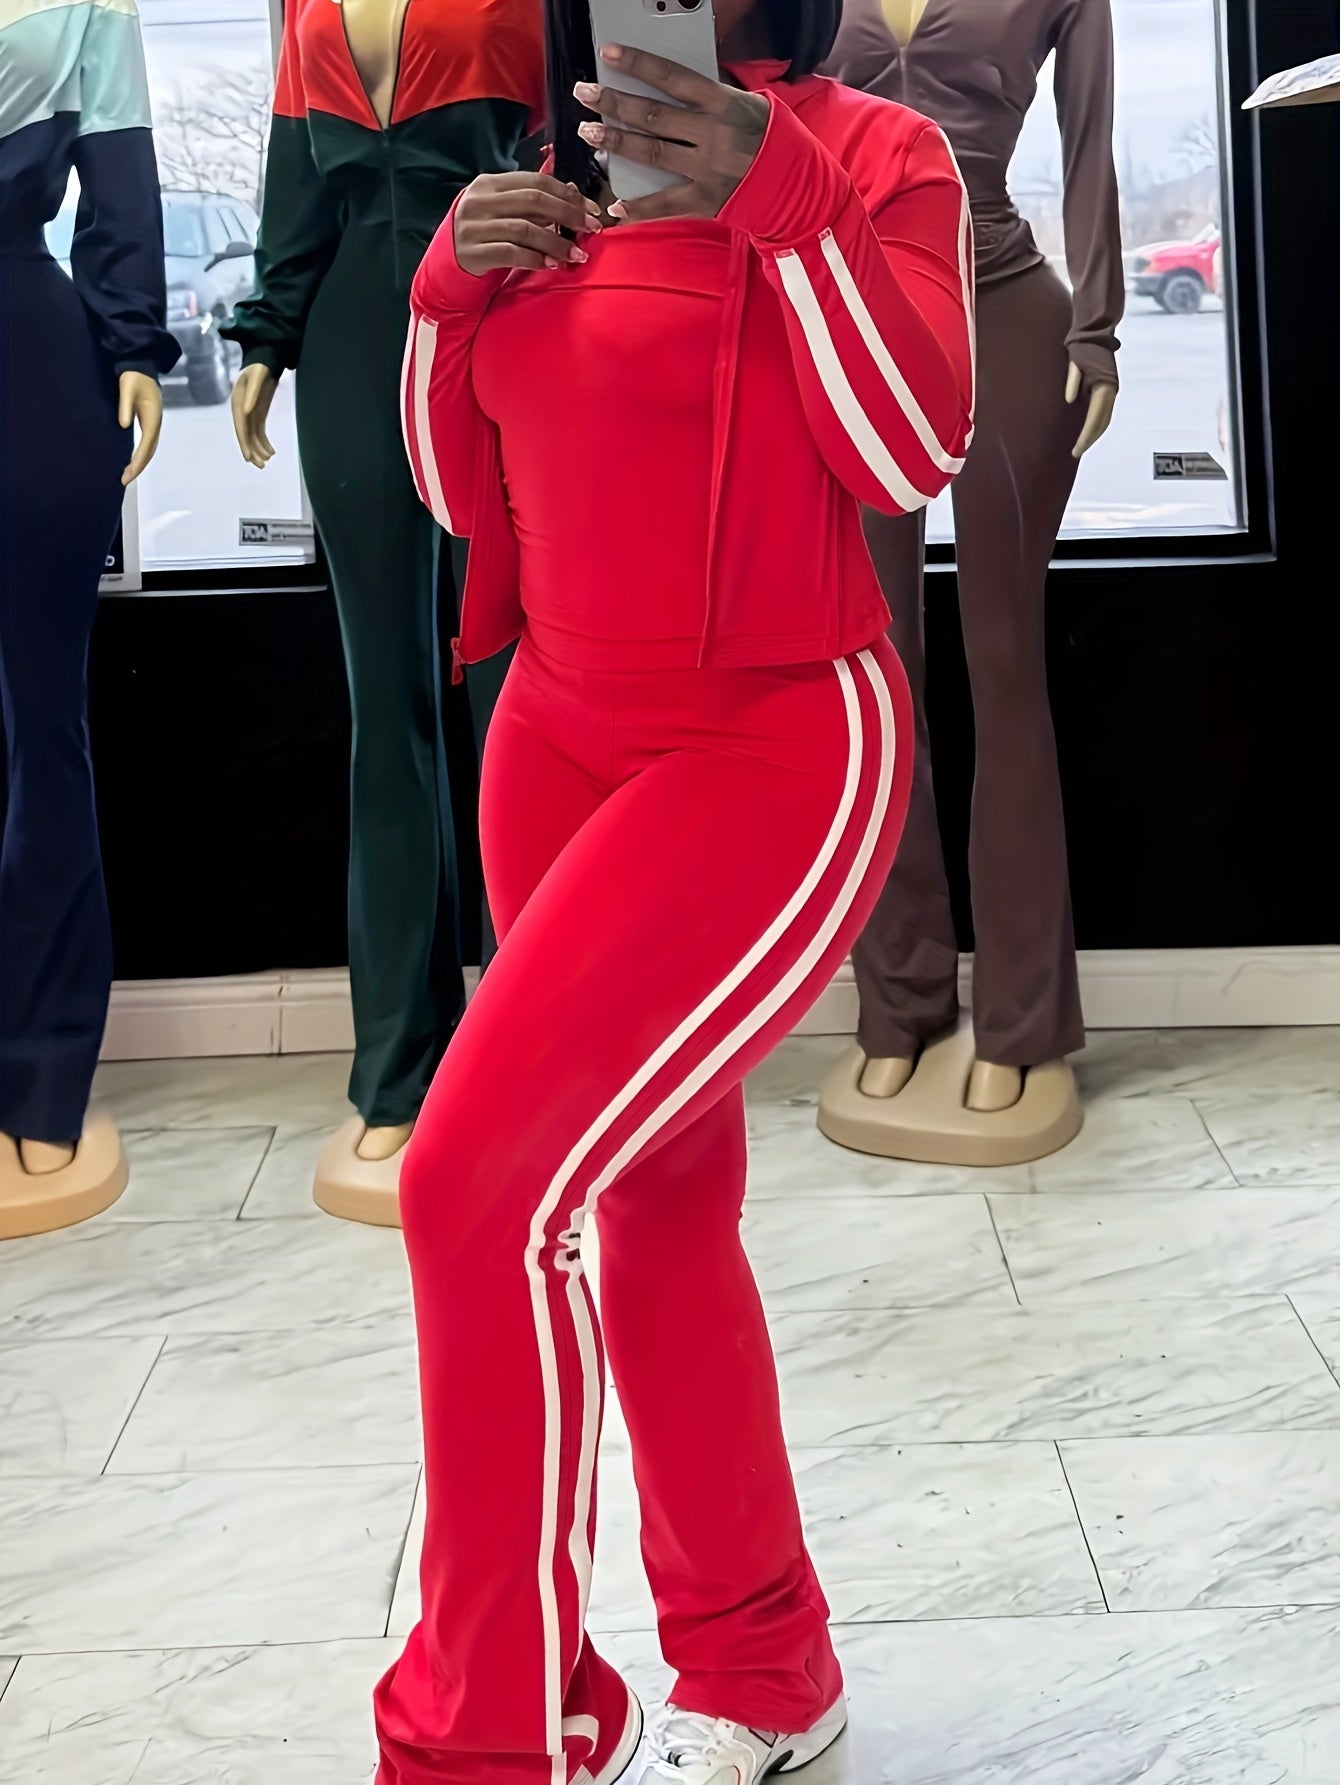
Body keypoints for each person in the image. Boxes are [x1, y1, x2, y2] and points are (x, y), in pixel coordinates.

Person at [377, 1, 974, 1780]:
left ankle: (490, 1738)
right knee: (648, 1203)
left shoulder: (877, 154)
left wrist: (779, 196)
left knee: (473, 1189)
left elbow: (906, 454)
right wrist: (445, 295)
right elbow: (459, 492)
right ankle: (765, 1667)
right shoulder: (551, 163)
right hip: (552, 734)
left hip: (776, 742)